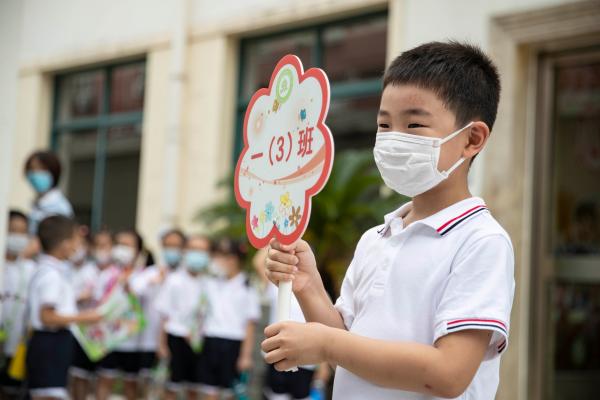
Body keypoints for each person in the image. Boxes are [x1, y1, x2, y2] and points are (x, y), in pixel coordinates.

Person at [262, 41, 515, 400]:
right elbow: (349, 347)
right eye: (384, 124)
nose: (394, 138)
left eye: (414, 124)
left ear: (472, 139)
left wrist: (327, 344)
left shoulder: (481, 241)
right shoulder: (376, 238)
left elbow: (449, 373)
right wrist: (308, 285)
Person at [26, 216, 101, 400]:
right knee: (49, 395)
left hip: (53, 343)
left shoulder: (51, 270)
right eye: (77, 240)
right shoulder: (51, 274)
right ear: (65, 244)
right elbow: (47, 316)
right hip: (50, 342)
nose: (78, 246)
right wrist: (85, 318)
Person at [252, 248, 331, 400]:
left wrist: (324, 366)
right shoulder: (277, 286)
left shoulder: (320, 294)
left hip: (307, 361)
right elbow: (258, 263)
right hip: (277, 357)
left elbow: (323, 328)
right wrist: (276, 236)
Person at [198, 238, 261, 400]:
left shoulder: (247, 286)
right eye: (216, 256)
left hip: (232, 343)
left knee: (229, 392)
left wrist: (245, 356)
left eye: (223, 256)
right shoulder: (210, 282)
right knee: (208, 389)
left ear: (234, 259)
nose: (217, 261)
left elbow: (250, 324)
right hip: (210, 339)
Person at [128, 228, 187, 396]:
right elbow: (133, 289)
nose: (172, 250)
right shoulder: (151, 273)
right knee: (143, 386)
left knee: (169, 388)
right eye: (168, 246)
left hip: (175, 341)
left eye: (176, 246)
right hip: (147, 340)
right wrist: (153, 282)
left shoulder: (186, 277)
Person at [155, 234, 212, 400]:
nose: (198, 254)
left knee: (193, 388)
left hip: (198, 343)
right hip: (176, 339)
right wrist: (162, 345)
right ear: (185, 251)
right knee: (172, 388)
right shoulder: (173, 280)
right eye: (194, 249)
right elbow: (164, 315)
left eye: (203, 250)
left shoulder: (208, 282)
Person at [95, 229, 145, 400]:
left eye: (127, 245)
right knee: (104, 381)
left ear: (138, 251)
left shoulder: (143, 275)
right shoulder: (106, 274)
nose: (122, 249)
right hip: (109, 338)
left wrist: (128, 286)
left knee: (131, 385)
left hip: (133, 341)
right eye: (119, 244)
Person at [0, 211, 35, 399]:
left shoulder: (30, 268)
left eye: (22, 232)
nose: (17, 237)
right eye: (12, 230)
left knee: (10, 389)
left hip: (16, 344)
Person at [69, 227, 100, 400]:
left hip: (85, 333)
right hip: (66, 330)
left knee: (83, 377)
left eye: (81, 244)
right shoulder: (63, 268)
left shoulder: (91, 271)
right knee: (71, 377)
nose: (76, 249)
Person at [24, 151, 73, 236]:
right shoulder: (37, 202)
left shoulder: (60, 207)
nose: (35, 173)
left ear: (53, 172)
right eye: (31, 169)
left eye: (41, 169)